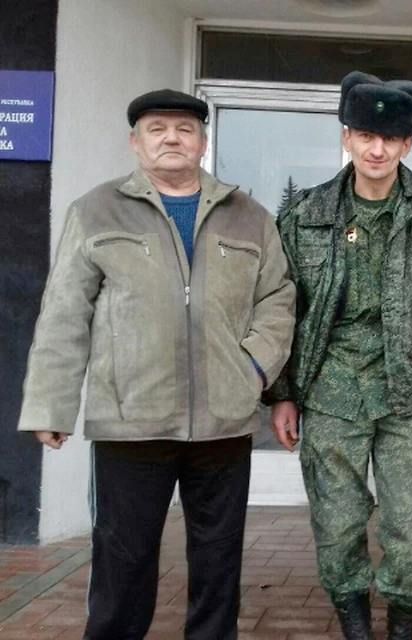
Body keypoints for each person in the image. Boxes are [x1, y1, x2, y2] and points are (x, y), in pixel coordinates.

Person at [17, 89, 295, 639]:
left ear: (203, 142)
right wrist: (51, 404)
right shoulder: (96, 211)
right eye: (157, 129)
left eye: (184, 129)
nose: (172, 138)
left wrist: (253, 370)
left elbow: (278, 299)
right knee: (123, 561)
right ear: (135, 142)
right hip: (131, 421)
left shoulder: (249, 217)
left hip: (223, 422)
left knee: (218, 563)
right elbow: (64, 314)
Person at [266, 71, 412, 640]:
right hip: (330, 390)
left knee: (410, 529)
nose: (377, 149)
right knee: (337, 525)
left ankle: (401, 630)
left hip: (411, 393)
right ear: (347, 137)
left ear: (408, 144)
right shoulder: (306, 213)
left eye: (391, 138)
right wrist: (282, 395)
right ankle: (355, 629)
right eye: (366, 135)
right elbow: (283, 306)